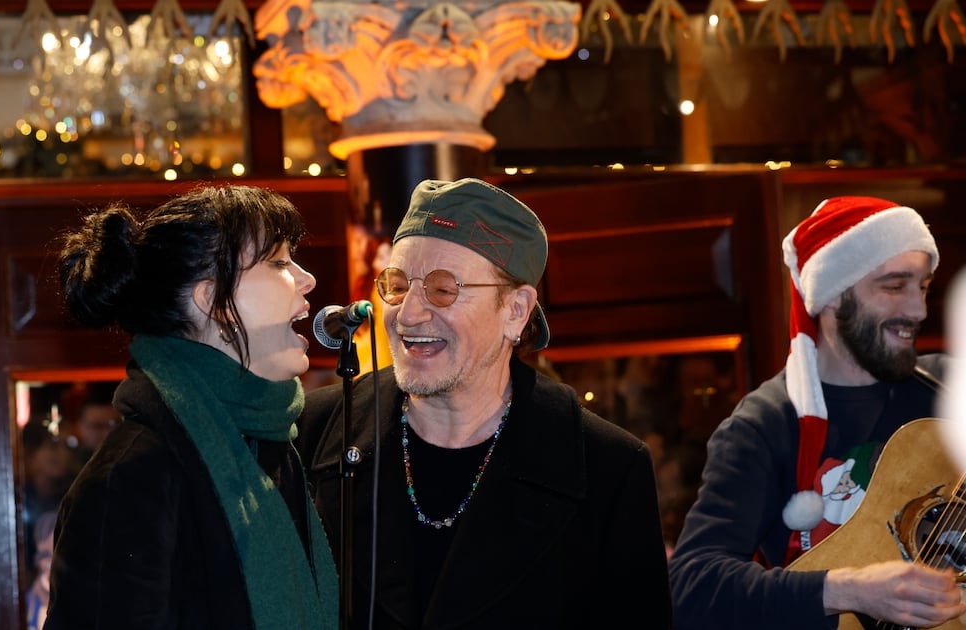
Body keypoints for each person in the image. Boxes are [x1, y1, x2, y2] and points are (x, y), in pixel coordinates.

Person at [297, 178, 672, 628]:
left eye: (442, 289)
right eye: (396, 286)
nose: (408, 313)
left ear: (515, 310)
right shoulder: (312, 432)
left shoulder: (607, 469)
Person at [44, 185, 338, 629]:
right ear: (212, 301)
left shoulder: (274, 446)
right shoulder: (131, 476)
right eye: (278, 262)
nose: (306, 279)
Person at [669, 195, 966, 629]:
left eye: (922, 286)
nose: (918, 309)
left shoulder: (949, 390)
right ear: (832, 296)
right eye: (894, 286)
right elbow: (691, 588)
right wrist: (851, 590)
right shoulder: (765, 425)